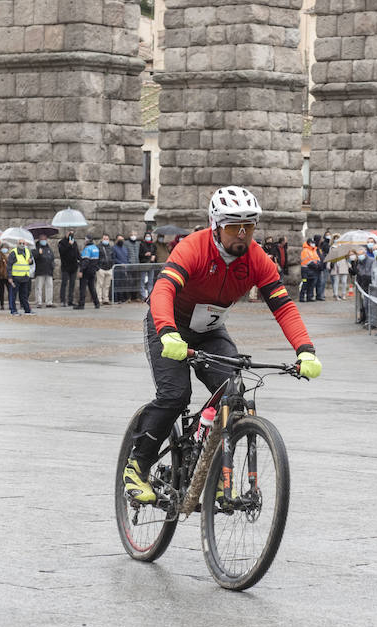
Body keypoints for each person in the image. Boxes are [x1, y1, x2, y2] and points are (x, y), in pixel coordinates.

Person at [123, 187, 321, 505]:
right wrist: (168, 333)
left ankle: (214, 470)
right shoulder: (193, 248)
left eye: (249, 226)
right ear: (216, 225)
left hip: (211, 331)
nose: (242, 234)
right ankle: (137, 466)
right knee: (175, 395)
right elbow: (163, 289)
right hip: (170, 326)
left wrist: (305, 349)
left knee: (234, 392)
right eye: (233, 226)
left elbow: (283, 306)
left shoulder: (257, 260)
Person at [7, 238, 34, 314]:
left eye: (23, 243)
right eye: (20, 243)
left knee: (24, 295)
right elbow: (9, 265)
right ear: (17, 244)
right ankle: (13, 310)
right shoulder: (13, 253)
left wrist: (31, 261)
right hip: (16, 277)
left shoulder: (28, 251)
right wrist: (9, 277)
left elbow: (30, 261)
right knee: (13, 295)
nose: (22, 245)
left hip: (25, 276)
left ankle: (27, 309)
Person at [75, 236, 100, 309]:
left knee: (82, 288)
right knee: (92, 288)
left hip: (86, 271)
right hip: (93, 271)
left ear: (88, 240)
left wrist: (81, 270)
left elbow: (86, 261)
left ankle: (81, 304)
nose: (84, 241)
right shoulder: (95, 248)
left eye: (85, 239)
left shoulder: (87, 249)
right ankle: (96, 303)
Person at [57, 231, 80, 306]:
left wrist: (79, 260)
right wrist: (69, 245)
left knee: (72, 284)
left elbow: (77, 252)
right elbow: (62, 252)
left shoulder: (74, 242)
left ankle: (70, 300)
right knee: (64, 283)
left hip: (73, 266)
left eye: (72, 233)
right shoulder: (62, 243)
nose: (71, 235)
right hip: (65, 266)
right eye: (69, 233)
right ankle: (62, 300)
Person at [33, 238, 55, 308]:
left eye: (45, 238)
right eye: (42, 238)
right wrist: (38, 254)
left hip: (49, 270)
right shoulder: (36, 248)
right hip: (40, 271)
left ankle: (49, 302)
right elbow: (34, 257)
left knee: (49, 286)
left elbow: (52, 257)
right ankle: (38, 302)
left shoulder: (48, 248)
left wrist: (52, 265)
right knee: (39, 287)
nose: (44, 240)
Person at [299, 238, 320, 302]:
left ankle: (309, 297)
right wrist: (315, 265)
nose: (313, 244)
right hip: (305, 270)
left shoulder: (314, 250)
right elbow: (306, 260)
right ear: (309, 243)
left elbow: (318, 259)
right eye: (312, 242)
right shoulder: (305, 250)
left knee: (311, 284)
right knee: (305, 283)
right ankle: (302, 297)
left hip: (312, 270)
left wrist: (318, 264)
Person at [96, 233, 115, 304]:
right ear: (101, 239)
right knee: (100, 285)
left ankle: (105, 299)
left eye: (107, 239)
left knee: (107, 285)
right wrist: (97, 268)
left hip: (109, 268)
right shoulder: (98, 247)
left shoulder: (110, 248)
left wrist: (112, 265)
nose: (105, 240)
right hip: (101, 268)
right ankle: (99, 299)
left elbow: (113, 257)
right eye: (104, 239)